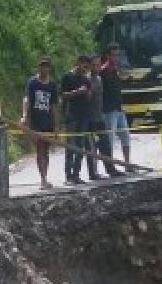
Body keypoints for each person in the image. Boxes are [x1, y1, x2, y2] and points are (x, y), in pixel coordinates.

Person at [20, 56, 58, 189]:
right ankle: (43, 179)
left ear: (49, 68)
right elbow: (27, 99)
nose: (44, 68)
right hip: (36, 121)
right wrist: (24, 116)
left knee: (46, 150)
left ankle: (45, 177)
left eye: (47, 66)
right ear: (39, 67)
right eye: (42, 66)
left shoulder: (52, 84)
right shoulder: (33, 82)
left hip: (48, 122)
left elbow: (53, 105)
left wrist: (56, 125)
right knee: (40, 149)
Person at [59, 55, 95, 185]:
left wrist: (88, 93)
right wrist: (77, 92)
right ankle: (68, 176)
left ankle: (76, 175)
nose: (85, 69)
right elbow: (63, 95)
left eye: (87, 67)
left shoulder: (86, 79)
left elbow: (89, 97)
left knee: (80, 147)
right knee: (70, 146)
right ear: (78, 63)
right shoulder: (67, 77)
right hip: (71, 116)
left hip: (83, 116)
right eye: (84, 66)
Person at [99, 44, 132, 172]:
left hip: (119, 108)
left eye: (118, 55)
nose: (116, 57)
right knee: (110, 140)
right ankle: (110, 166)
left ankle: (127, 164)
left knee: (126, 136)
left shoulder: (117, 69)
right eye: (114, 55)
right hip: (108, 110)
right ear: (107, 56)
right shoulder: (103, 71)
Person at [86, 58, 117, 178]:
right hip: (89, 118)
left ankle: (110, 169)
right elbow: (87, 99)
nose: (97, 67)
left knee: (106, 144)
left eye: (98, 65)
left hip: (100, 117)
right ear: (90, 66)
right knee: (92, 147)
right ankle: (93, 173)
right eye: (94, 65)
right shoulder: (87, 79)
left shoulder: (99, 79)